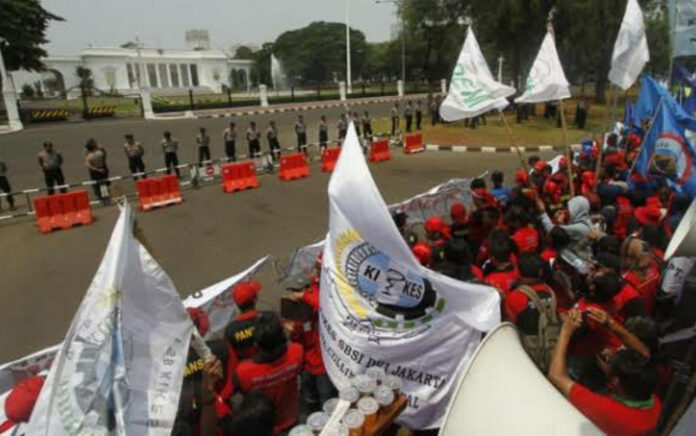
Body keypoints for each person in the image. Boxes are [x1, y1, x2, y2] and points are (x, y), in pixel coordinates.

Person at [548, 309, 661, 436]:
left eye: (610, 363)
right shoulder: (652, 400)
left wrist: (566, 331)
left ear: (615, 381)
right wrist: (610, 323)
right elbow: (644, 354)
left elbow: (556, 376)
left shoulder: (609, 411)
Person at [235, 312, 303, 435]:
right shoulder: (296, 352)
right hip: (292, 419)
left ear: (256, 344)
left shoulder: (243, 372)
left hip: (267, 428)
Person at [225, 281, 261, 360]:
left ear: (237, 304)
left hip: (248, 369)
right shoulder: (269, 318)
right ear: (255, 299)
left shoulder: (230, 330)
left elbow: (233, 360)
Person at [84, 138, 110, 203]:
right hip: (103, 168)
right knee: (103, 184)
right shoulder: (100, 153)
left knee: (96, 185)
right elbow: (105, 154)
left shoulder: (89, 156)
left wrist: (97, 170)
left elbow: (88, 165)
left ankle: (101, 197)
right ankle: (106, 197)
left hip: (95, 172)